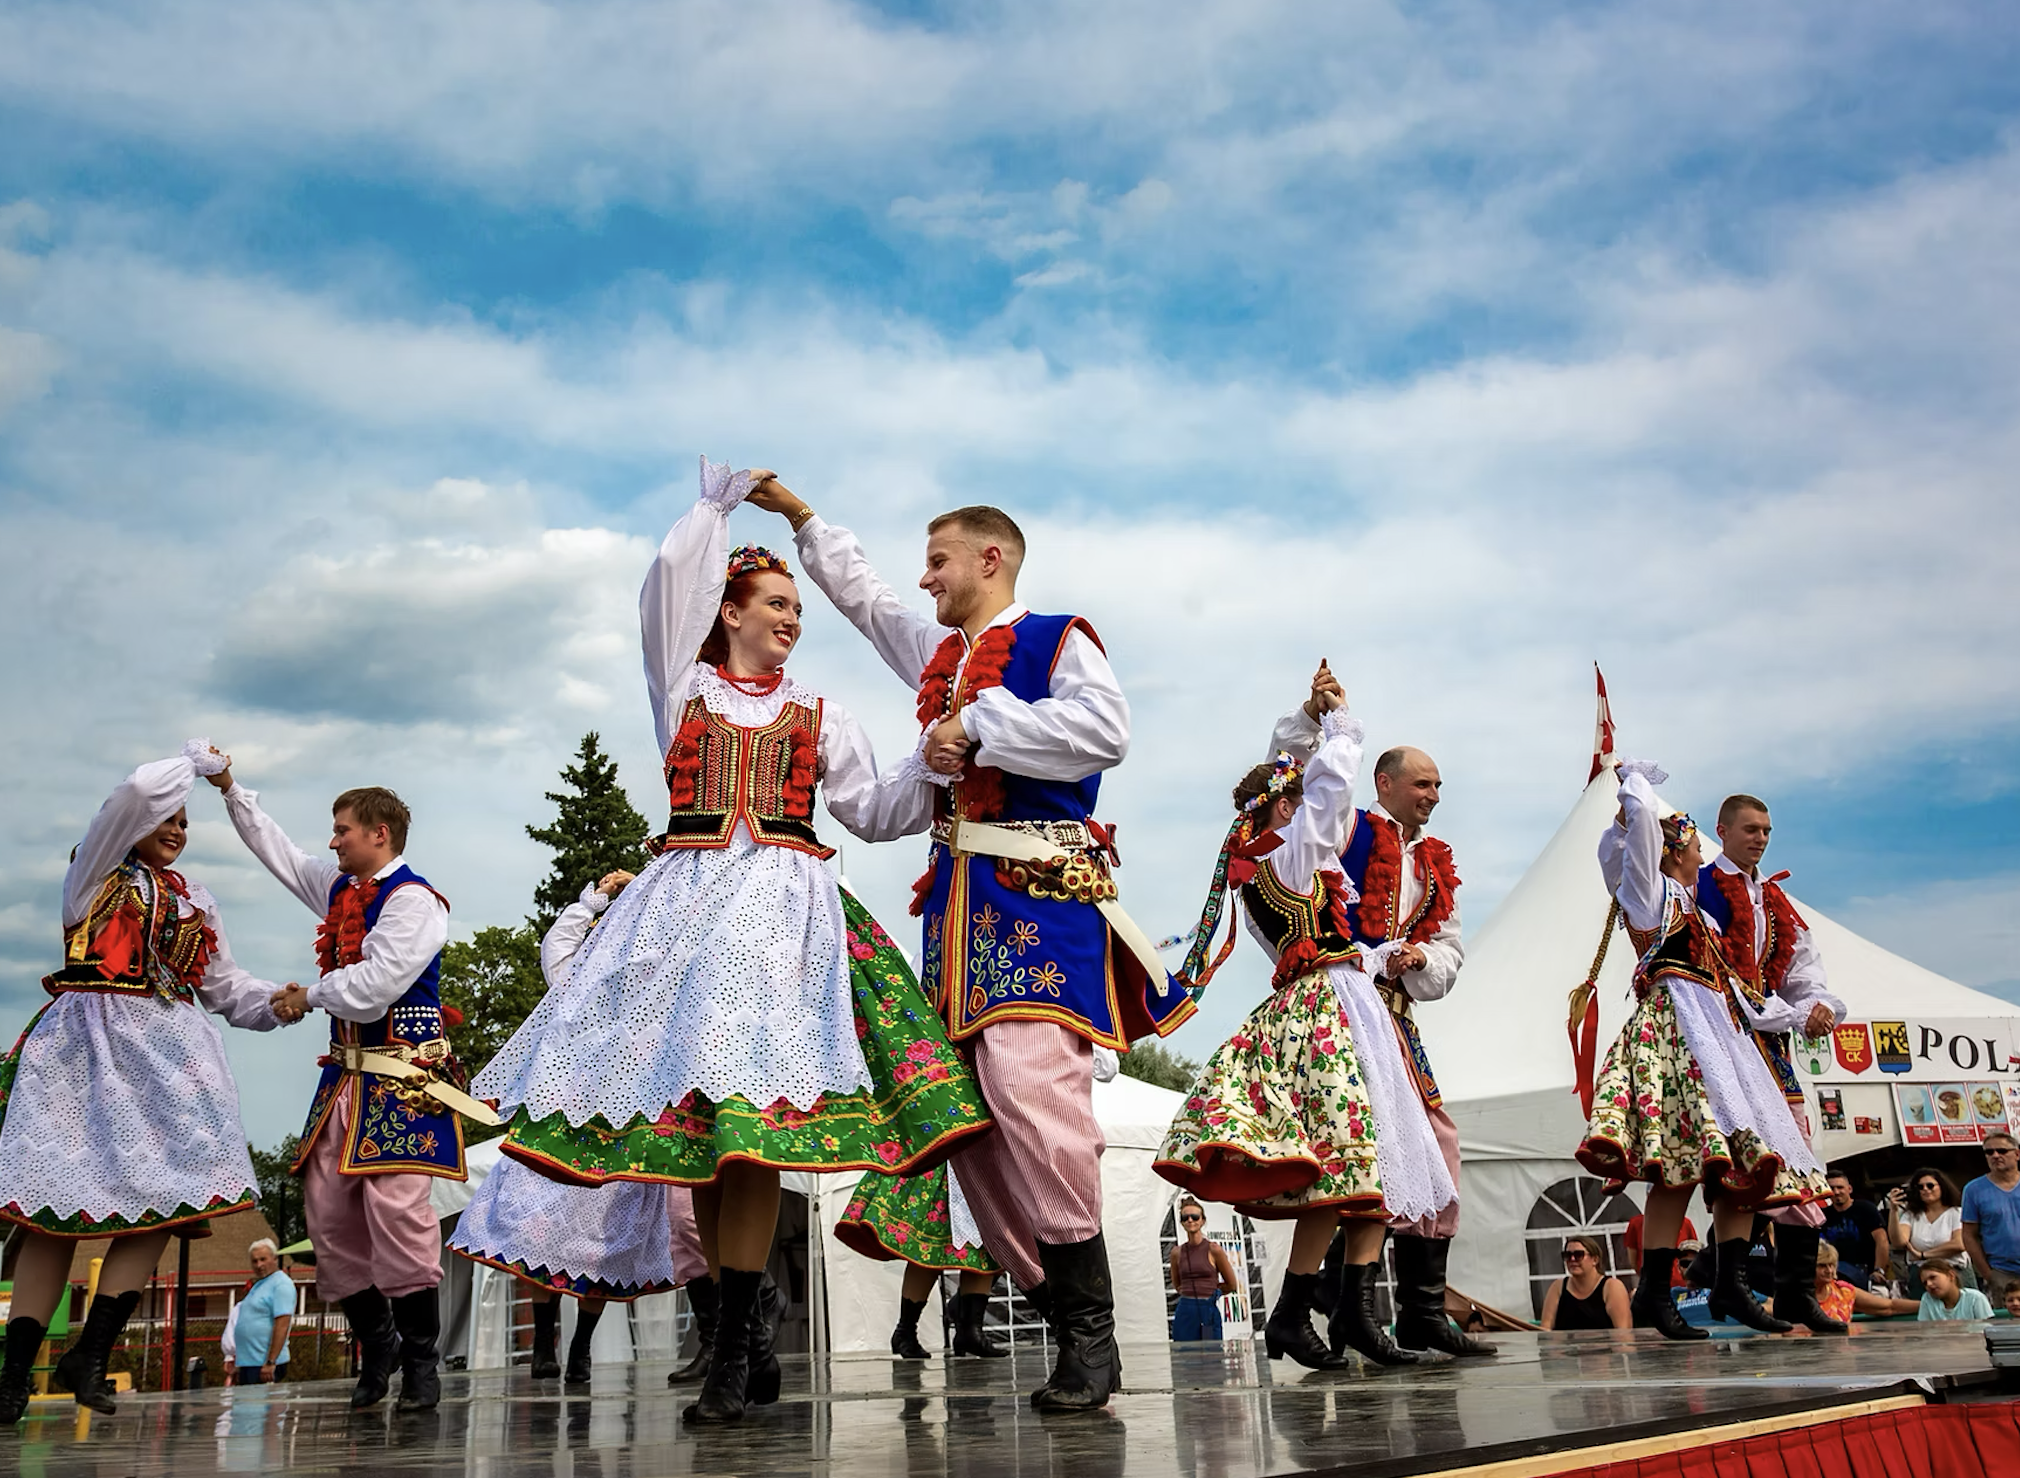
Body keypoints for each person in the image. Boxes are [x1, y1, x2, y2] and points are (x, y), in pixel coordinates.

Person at [474, 460, 989, 1425]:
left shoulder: (822, 713)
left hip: (786, 919)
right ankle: (743, 1343)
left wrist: (929, 762)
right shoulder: (687, 691)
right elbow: (664, 594)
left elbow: (874, 814)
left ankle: (735, 1354)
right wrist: (711, 510)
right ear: (729, 612)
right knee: (711, 1136)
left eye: (798, 608)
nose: (792, 620)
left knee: (751, 1137)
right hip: (687, 917)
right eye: (776, 604)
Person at [760, 479, 1192, 1413]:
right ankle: (1065, 1311)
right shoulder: (943, 655)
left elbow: (1103, 732)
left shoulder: (1053, 638)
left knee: (1033, 1094)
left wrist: (980, 722)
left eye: (940, 560)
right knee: (970, 1124)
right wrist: (803, 522)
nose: (925, 579)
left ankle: (1090, 1332)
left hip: (1040, 894)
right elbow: (871, 605)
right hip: (957, 910)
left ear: (989, 560)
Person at [1158, 677, 1457, 1370]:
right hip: (1331, 1012)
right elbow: (1326, 797)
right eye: (1294, 800)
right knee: (1358, 1160)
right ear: (1281, 810)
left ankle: (1323, 1310)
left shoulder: (1273, 865)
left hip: (1341, 995)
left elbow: (1333, 939)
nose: (1308, 808)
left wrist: (1389, 955)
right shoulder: (1287, 857)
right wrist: (1344, 729)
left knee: (1355, 1166)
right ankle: (1322, 1310)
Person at [0, 743, 293, 1425]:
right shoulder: (94, 869)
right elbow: (136, 790)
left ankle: (91, 1354)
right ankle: (14, 1373)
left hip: (169, 1062)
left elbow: (222, 986)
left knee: (167, 1208)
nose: (177, 827)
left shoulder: (198, 900)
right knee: (53, 1216)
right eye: (169, 816)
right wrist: (198, 763)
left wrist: (278, 1001)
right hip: (84, 1054)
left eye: (187, 823)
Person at [214, 761, 470, 1412]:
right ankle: (376, 1345)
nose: (332, 842)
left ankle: (420, 1362)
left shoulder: (414, 901)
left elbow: (375, 985)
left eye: (343, 831)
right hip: (345, 1080)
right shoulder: (340, 891)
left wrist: (309, 995)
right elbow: (279, 853)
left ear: (379, 834)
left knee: (397, 1212)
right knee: (326, 1217)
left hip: (402, 1075)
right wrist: (230, 793)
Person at [1269, 663, 1492, 1359]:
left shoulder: (1437, 862)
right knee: (1363, 1154)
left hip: (1395, 1012)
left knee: (1434, 1145)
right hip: (1343, 1005)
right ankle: (1350, 1312)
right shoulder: (1349, 831)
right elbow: (1300, 788)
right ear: (1385, 783)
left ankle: (1417, 1310)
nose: (1433, 795)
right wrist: (1316, 721)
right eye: (1422, 783)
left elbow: (1450, 948)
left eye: (1438, 786)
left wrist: (1423, 961)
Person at [1576, 761, 1828, 1341]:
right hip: (1675, 1040)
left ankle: (1729, 1283)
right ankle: (1657, 1293)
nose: (1700, 850)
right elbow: (1632, 848)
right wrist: (1636, 794)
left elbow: (1742, 991)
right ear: (1676, 852)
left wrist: (1790, 1013)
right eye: (1692, 842)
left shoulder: (1696, 913)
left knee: (1747, 1160)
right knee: (1677, 1171)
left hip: (1721, 1040)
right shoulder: (1650, 897)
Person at [449, 871, 683, 1384]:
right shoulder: (577, 982)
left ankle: (580, 1348)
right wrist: (598, 897)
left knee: (603, 1246)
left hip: (619, 1133)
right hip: (560, 1122)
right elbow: (558, 943)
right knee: (537, 1230)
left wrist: (648, 892)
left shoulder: (658, 996)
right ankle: (545, 1345)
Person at [838, 1042, 1122, 1361]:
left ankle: (970, 1330)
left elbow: (1106, 1067)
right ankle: (905, 1330)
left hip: (989, 1135)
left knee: (990, 1241)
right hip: (950, 1134)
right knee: (928, 1245)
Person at [1696, 792, 1848, 1333]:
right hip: (1724, 1036)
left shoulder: (1777, 900)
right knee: (1742, 1156)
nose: (1760, 837)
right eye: (1750, 828)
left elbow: (1803, 971)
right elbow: (1710, 971)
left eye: (1766, 829)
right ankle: (1723, 1274)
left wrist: (1817, 1007)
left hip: (1770, 1043)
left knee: (1799, 1153)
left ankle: (1791, 1291)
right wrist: (1782, 1012)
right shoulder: (1704, 886)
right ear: (1723, 830)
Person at [1168, 1198, 1240, 1343]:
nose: (1190, 1220)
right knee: (1184, 1356)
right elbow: (1177, 1284)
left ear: (1202, 1221)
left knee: (1211, 1356)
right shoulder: (1177, 1252)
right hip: (1186, 1309)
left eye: (1195, 1217)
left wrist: (1213, 1293)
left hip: (1207, 1309)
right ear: (1181, 1222)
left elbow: (1231, 1284)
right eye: (1185, 1217)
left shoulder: (1214, 1249)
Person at [224, 1240, 296, 1385]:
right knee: (246, 1405)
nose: (259, 1265)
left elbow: (282, 1324)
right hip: (248, 1362)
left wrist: (271, 1362)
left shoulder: (281, 1284)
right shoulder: (259, 1285)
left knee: (259, 1405)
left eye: (263, 1259)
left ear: (275, 1259)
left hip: (263, 1364)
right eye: (254, 1261)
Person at [1887, 1167, 1968, 1288]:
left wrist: (1923, 1255)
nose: (1925, 1190)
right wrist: (1893, 1211)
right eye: (1920, 1187)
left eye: (1930, 1186)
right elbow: (1899, 1241)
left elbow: (1959, 1244)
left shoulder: (1956, 1212)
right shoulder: (1911, 1215)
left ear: (1942, 1187)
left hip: (1954, 1272)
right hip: (1922, 1275)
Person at [1963, 1131, 2020, 1298]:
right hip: (2001, 1271)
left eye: (2002, 1151)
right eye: (1989, 1152)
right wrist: (1988, 1274)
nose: (1995, 1155)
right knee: (2006, 1323)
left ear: (2017, 1154)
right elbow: (1968, 1235)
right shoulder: (1973, 1190)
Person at [1538, 1236, 1631, 1332]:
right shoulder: (1558, 1287)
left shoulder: (1612, 1287)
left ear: (1595, 1260)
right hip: (1567, 1346)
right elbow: (1546, 1329)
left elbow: (1623, 1333)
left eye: (1578, 1255)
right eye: (1567, 1255)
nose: (1572, 1259)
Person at [1808, 1243, 1917, 1324]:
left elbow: (1890, 1306)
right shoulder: (1795, 1293)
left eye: (1831, 1265)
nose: (1829, 1270)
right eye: (1822, 1265)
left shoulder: (1843, 1291)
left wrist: (1926, 1303)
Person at [1819, 1170, 1890, 1292]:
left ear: (1849, 1189)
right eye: (1832, 1188)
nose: (1836, 1192)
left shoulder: (1865, 1209)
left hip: (1864, 1270)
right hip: (1833, 1273)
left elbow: (1882, 1240)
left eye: (1840, 1187)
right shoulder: (1822, 1215)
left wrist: (1879, 1270)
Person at [1625, 1210, 1698, 1287]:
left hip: (1682, 1287)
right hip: (1653, 1287)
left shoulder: (1685, 1223)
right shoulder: (1636, 1223)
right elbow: (1633, 1262)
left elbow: (1694, 1255)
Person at [1917, 1258, 1994, 1322]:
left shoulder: (1975, 1298)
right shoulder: (1927, 1299)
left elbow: (1986, 1330)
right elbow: (1925, 1331)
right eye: (1925, 1283)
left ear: (1951, 1275)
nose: (1929, 1284)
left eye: (1933, 1277)